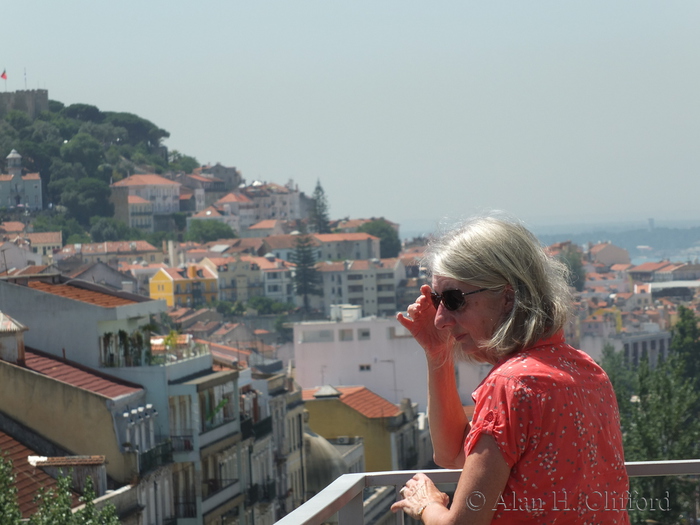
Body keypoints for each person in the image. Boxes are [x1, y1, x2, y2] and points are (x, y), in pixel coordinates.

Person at [391, 216, 629, 524]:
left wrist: (427, 504)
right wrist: (438, 352)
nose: (439, 319)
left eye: (453, 299)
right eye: (437, 301)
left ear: (507, 297)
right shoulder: (587, 371)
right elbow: (451, 454)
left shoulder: (510, 385)